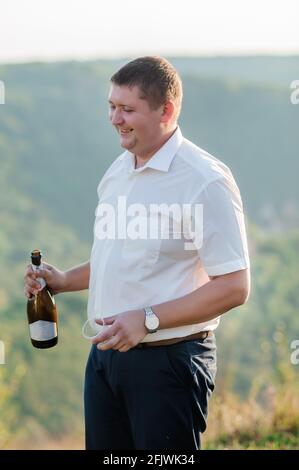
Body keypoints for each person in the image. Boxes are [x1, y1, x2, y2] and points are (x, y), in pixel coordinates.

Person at [24, 56, 250, 450]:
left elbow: (234, 286)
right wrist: (61, 282)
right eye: (111, 106)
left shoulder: (204, 180)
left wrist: (147, 319)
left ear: (167, 110)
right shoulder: (117, 171)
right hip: (104, 360)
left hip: (170, 363)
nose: (114, 119)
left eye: (127, 109)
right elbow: (119, 258)